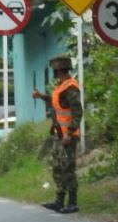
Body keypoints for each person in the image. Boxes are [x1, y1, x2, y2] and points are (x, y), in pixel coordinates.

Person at [31, 55, 83, 213]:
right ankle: (59, 200)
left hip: (68, 137)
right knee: (58, 168)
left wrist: (69, 133)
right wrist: (42, 97)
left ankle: (72, 202)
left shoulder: (70, 87)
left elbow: (77, 112)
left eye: (55, 69)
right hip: (58, 135)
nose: (53, 71)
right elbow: (58, 103)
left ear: (60, 69)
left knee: (67, 168)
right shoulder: (61, 86)